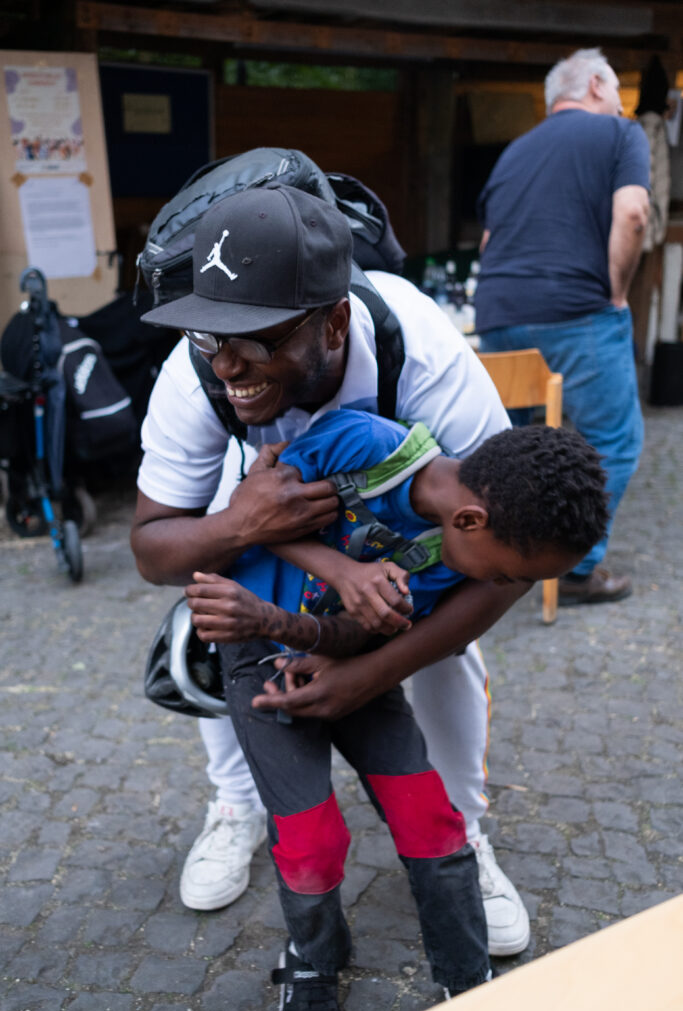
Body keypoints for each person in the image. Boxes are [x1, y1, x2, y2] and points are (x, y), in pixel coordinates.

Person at [132, 182, 530, 957]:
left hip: (400, 509)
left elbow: (506, 561)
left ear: (334, 321)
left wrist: (370, 675)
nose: (228, 363)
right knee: (221, 600)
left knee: (447, 657)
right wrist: (240, 523)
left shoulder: (423, 352)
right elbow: (153, 546)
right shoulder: (199, 373)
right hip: (255, 498)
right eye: (213, 337)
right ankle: (238, 803)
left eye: (259, 338)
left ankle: (461, 833)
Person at [180, 411, 608, 1011]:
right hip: (257, 657)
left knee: (429, 815)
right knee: (308, 836)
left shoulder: (442, 555)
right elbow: (255, 517)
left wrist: (319, 642)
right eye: (509, 573)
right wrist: (339, 574)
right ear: (471, 520)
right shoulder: (364, 444)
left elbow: (360, 633)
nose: (502, 587)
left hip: (347, 662)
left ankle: (468, 974)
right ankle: (313, 956)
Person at [475, 47, 650, 605]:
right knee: (614, 441)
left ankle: (502, 561)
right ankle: (576, 570)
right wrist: (617, 292)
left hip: (497, 318)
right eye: (617, 91)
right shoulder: (620, 136)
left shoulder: (513, 153)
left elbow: (487, 242)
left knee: (517, 450)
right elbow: (633, 213)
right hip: (578, 313)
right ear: (597, 86)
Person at [628, 55, 672, 362]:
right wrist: (653, 227)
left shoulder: (642, 128)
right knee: (634, 303)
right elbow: (651, 180)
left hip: (641, 227)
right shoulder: (651, 130)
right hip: (642, 229)